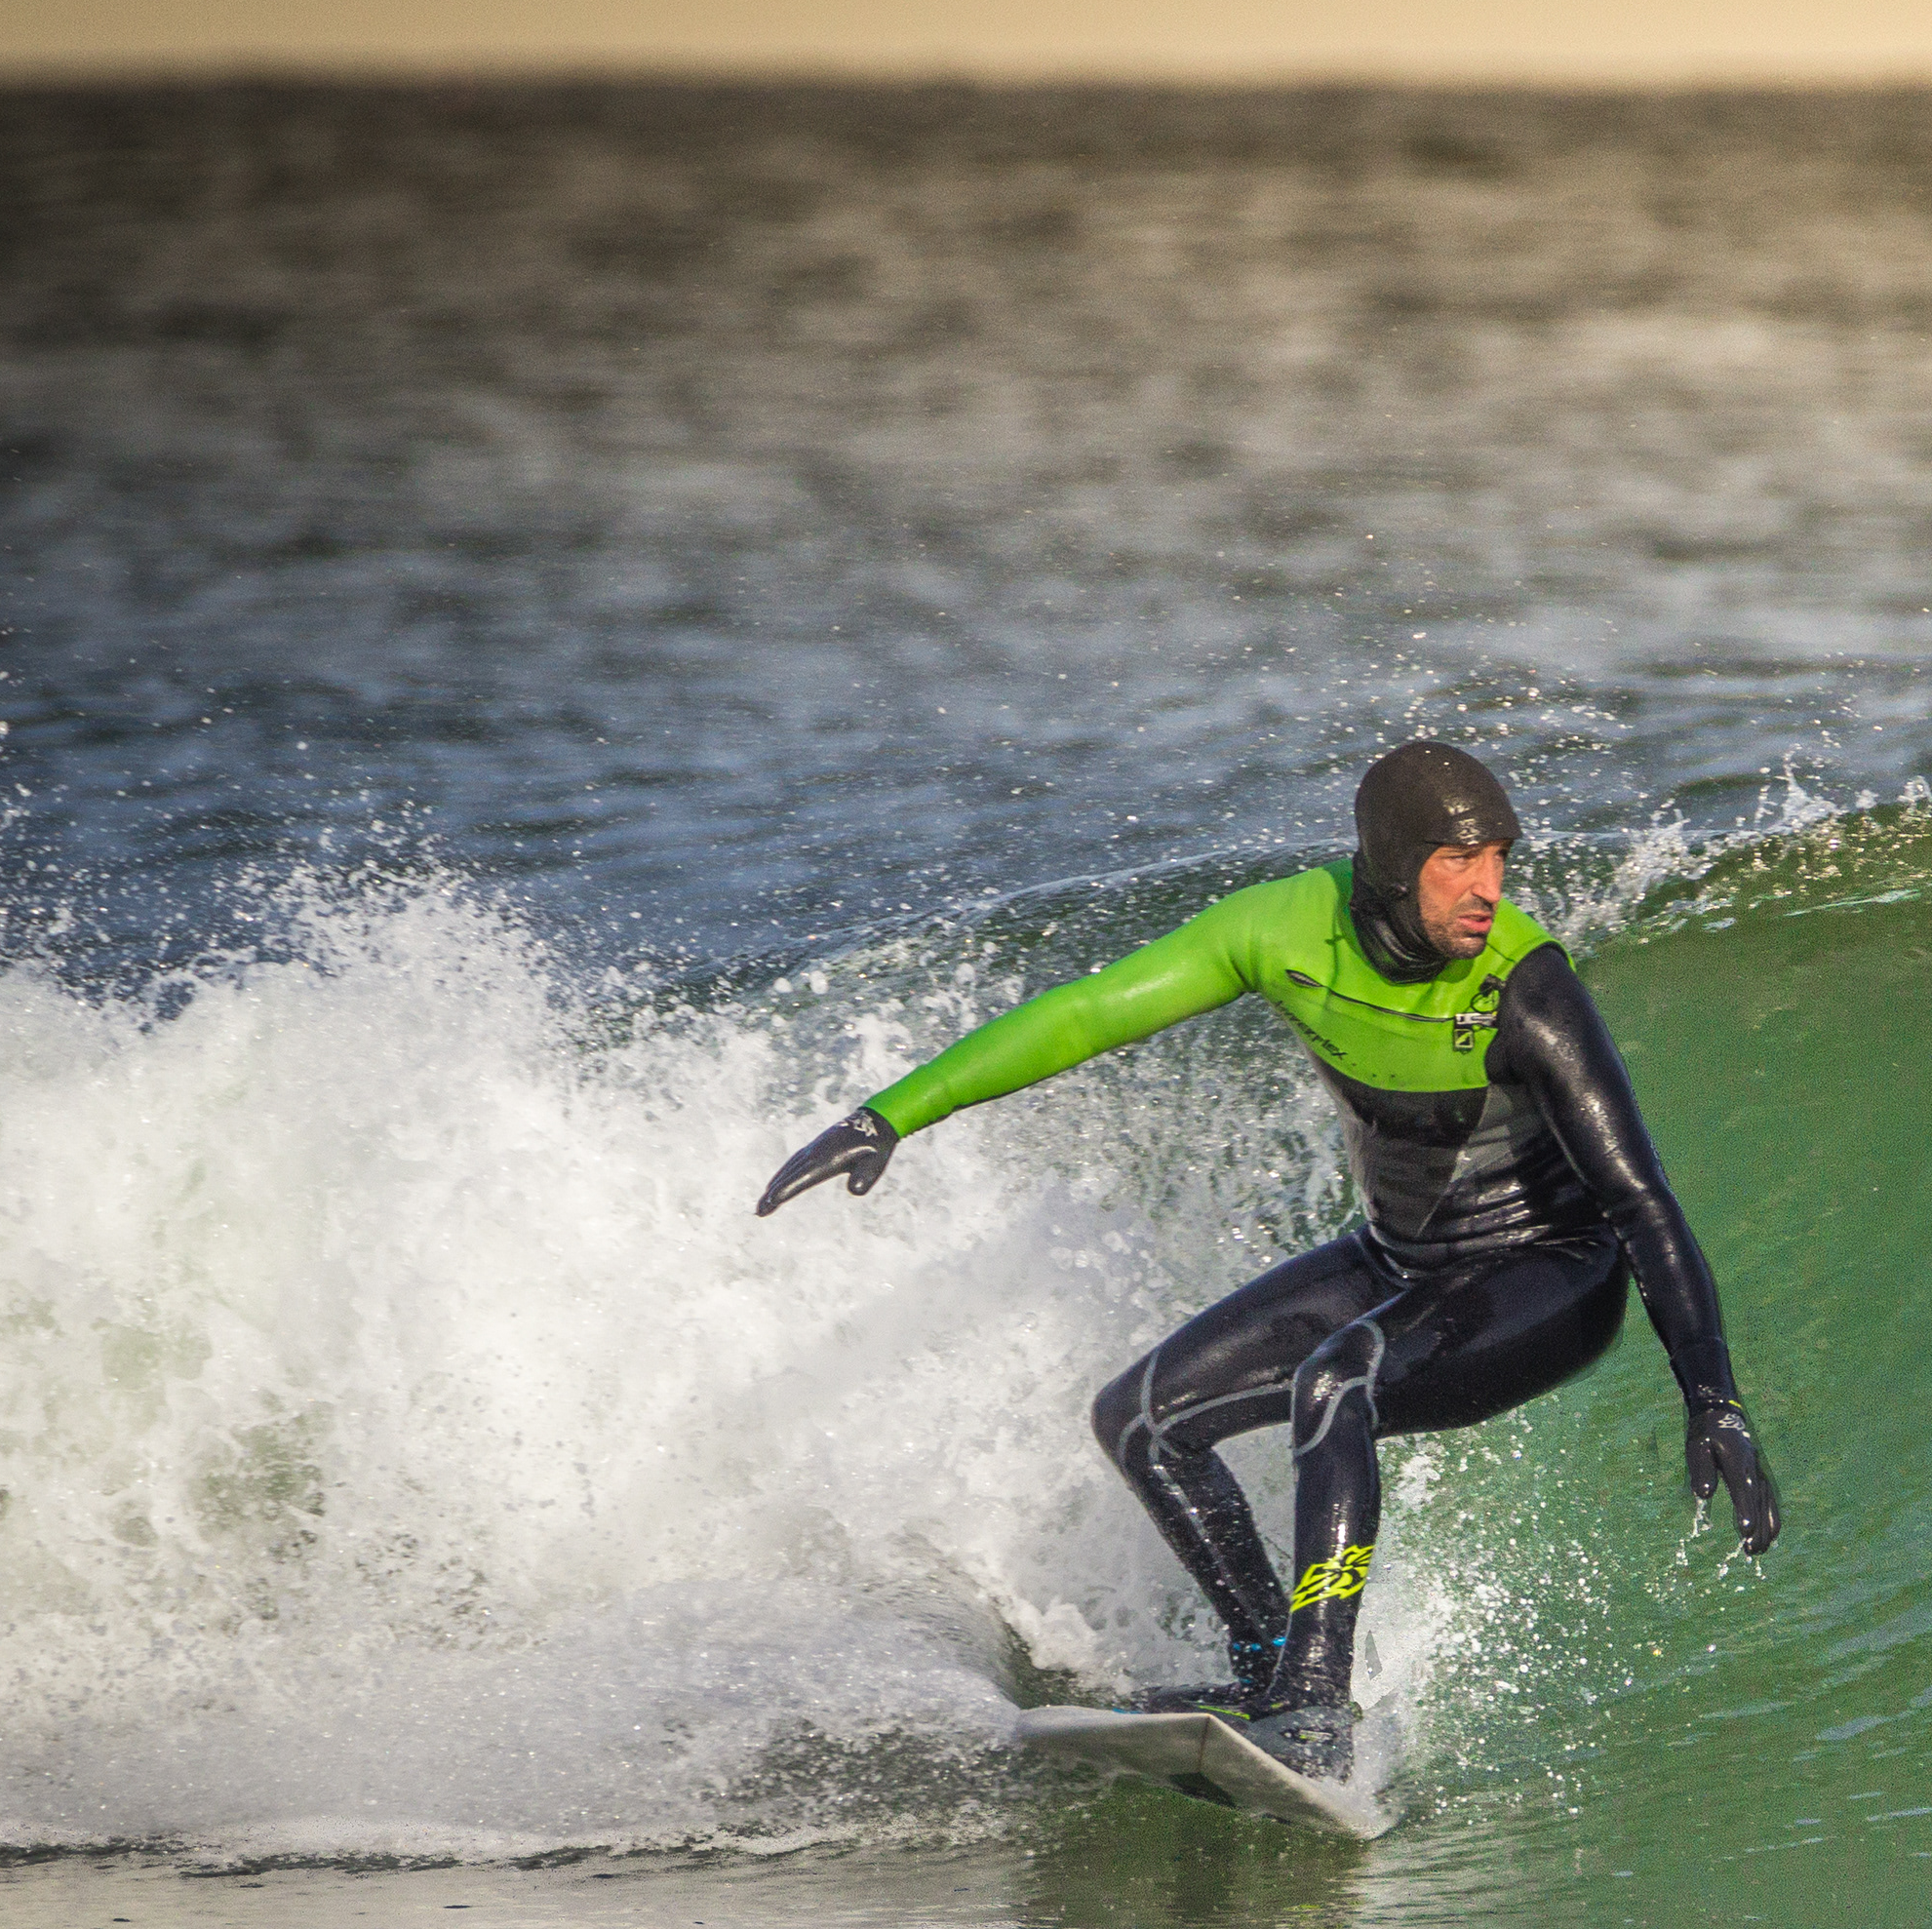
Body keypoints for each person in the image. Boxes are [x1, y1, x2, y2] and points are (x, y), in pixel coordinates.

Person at [756, 741, 1779, 1778]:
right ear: (1389, 861)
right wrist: (888, 1115)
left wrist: (1714, 1398)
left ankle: (1314, 1710)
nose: (1488, 889)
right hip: (1399, 1259)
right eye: (1456, 863)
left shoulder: (1524, 987)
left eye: (1501, 859)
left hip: (1552, 1273)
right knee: (1142, 1421)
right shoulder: (1282, 927)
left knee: (1338, 1381)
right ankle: (1266, 1669)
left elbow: (1641, 1203)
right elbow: (1086, 1011)